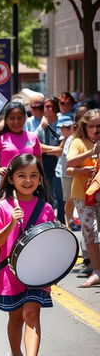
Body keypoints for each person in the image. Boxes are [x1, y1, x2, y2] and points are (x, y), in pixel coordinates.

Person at [0, 154, 55, 356]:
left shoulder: (46, 208)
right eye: (22, 176)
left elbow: (51, 242)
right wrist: (10, 224)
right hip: (10, 271)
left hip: (37, 273)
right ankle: (16, 355)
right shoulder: (2, 206)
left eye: (34, 176)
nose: (28, 180)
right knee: (15, 318)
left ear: (40, 179)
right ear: (11, 179)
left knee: (32, 314)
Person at [66, 108, 100, 287]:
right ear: (84, 127)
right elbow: (69, 164)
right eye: (92, 127)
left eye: (99, 126)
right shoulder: (77, 142)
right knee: (90, 231)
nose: (96, 130)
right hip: (83, 195)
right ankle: (96, 271)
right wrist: (92, 152)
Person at [0, 101, 42, 200]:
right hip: (6, 183)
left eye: (19, 118)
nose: (16, 122)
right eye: (12, 118)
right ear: (6, 120)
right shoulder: (0, 138)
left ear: (25, 118)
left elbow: (38, 160)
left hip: (28, 183)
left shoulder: (33, 137)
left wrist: (38, 178)